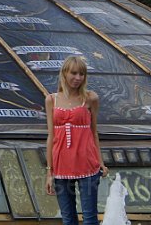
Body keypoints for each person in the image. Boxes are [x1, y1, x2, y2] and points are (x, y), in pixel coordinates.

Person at [45, 55, 108, 225]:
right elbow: (51, 136)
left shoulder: (90, 98)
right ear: (64, 73)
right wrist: (49, 171)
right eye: (73, 73)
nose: (77, 78)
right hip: (60, 164)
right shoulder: (51, 99)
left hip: (87, 162)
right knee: (68, 219)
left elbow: (94, 132)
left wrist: (100, 162)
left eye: (81, 74)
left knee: (90, 219)